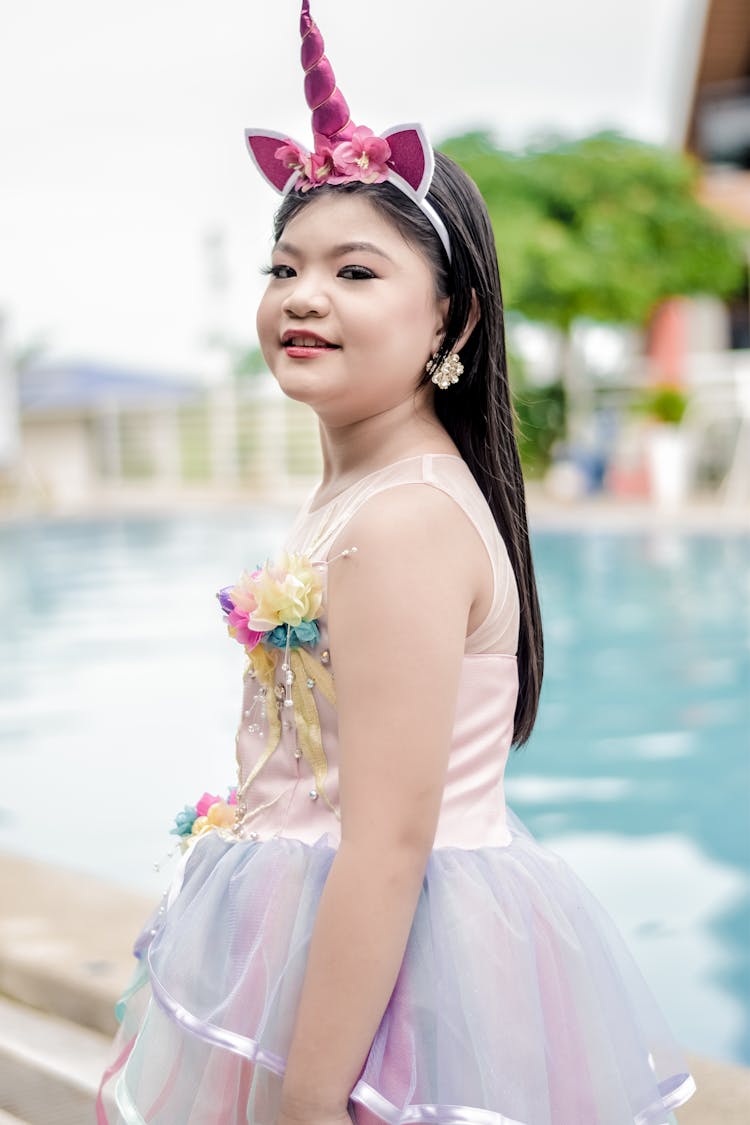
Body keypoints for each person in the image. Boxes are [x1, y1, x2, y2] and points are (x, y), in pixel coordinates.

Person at [97, 4, 696, 1122]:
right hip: (315, 942)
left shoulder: (404, 522)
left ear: (449, 322)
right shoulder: (361, 493)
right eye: (286, 265)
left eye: (357, 272)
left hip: (389, 980)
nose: (304, 295)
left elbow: (388, 843)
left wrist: (309, 1103)